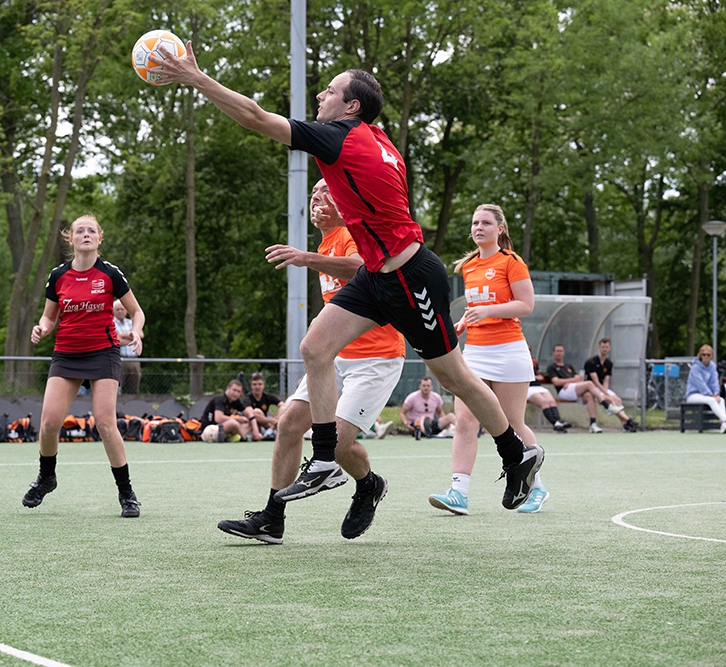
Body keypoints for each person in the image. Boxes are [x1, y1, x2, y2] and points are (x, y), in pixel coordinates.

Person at [154, 49, 542, 510]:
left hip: (409, 276)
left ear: (352, 106)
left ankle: (517, 454)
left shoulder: (344, 138)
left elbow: (257, 118)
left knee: (452, 375)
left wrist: (197, 78)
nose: (321, 94)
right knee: (314, 348)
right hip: (377, 274)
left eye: (331, 90)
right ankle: (323, 460)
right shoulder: (378, 138)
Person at [217, 178, 406, 543]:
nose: (317, 198)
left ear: (346, 200)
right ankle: (273, 518)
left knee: (337, 443)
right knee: (288, 424)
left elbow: (360, 267)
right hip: (333, 359)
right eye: (314, 194)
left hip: (375, 358)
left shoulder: (355, 232)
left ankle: (369, 485)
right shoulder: (327, 242)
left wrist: (305, 258)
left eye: (326, 192)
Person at [428, 205, 548, 515]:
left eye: (486, 222)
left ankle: (536, 486)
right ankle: (458, 492)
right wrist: (467, 322)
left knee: (512, 423)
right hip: (476, 353)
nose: (479, 227)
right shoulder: (468, 266)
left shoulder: (511, 262)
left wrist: (488, 312)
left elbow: (525, 304)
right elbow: (478, 304)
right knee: (466, 421)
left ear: (500, 229)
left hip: (509, 351)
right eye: (475, 222)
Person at [24, 215, 145, 518]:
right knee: (50, 422)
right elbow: (49, 317)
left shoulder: (110, 274)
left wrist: (137, 331)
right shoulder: (59, 276)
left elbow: (136, 311)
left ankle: (126, 493)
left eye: (91, 230)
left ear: (99, 239)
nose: (86, 234)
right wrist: (41, 328)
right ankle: (47, 477)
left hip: (103, 353)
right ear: (71, 239)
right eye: (80, 231)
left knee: (105, 422)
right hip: (66, 354)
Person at [544, 344, 618, 434]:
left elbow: (579, 378)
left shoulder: (568, 366)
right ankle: (607, 406)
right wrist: (572, 380)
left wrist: (570, 381)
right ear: (554, 353)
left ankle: (593, 424)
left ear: (564, 353)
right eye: (557, 351)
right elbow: (556, 381)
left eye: (561, 351)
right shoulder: (552, 367)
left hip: (574, 389)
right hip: (564, 391)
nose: (559, 353)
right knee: (590, 383)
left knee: (589, 395)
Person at [584, 338, 639, 432]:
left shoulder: (609, 364)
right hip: (591, 389)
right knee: (610, 399)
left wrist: (605, 392)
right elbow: (595, 382)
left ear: (609, 348)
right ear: (599, 347)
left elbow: (606, 380)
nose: (604, 349)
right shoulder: (591, 362)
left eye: (606, 347)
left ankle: (625, 425)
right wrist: (605, 393)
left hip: (601, 388)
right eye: (602, 347)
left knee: (617, 399)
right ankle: (628, 420)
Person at [684, 344, 726, 433]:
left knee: (721, 400)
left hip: (708, 395)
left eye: (708, 355)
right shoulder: (695, 368)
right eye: (704, 355)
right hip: (693, 395)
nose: (706, 357)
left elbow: (714, 382)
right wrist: (711, 395)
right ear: (700, 355)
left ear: (711, 356)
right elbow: (700, 384)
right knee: (712, 400)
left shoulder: (712, 366)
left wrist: (716, 393)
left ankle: (724, 424)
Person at [529, 351, 571, 433]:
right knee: (544, 402)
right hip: (527, 388)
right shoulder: (516, 361)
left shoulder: (533, 361)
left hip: (538, 386)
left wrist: (535, 376)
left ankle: (558, 422)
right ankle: (556, 423)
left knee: (551, 401)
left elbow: (539, 376)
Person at [113, 299, 141, 395]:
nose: (120, 311)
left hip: (133, 359)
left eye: (122, 309)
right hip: (119, 359)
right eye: (118, 309)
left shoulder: (131, 322)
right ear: (113, 311)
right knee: (117, 387)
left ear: (126, 311)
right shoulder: (111, 323)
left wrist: (122, 336)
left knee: (133, 388)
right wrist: (132, 337)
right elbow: (115, 340)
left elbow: (140, 335)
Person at [244, 372, 281, 437]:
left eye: (260, 384)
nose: (257, 387)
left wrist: (276, 418)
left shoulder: (268, 396)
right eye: (254, 384)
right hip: (253, 425)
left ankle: (270, 431)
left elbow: (283, 406)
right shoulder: (247, 398)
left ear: (263, 385)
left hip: (268, 424)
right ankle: (270, 431)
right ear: (251, 386)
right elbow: (251, 414)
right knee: (257, 411)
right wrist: (272, 420)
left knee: (283, 408)